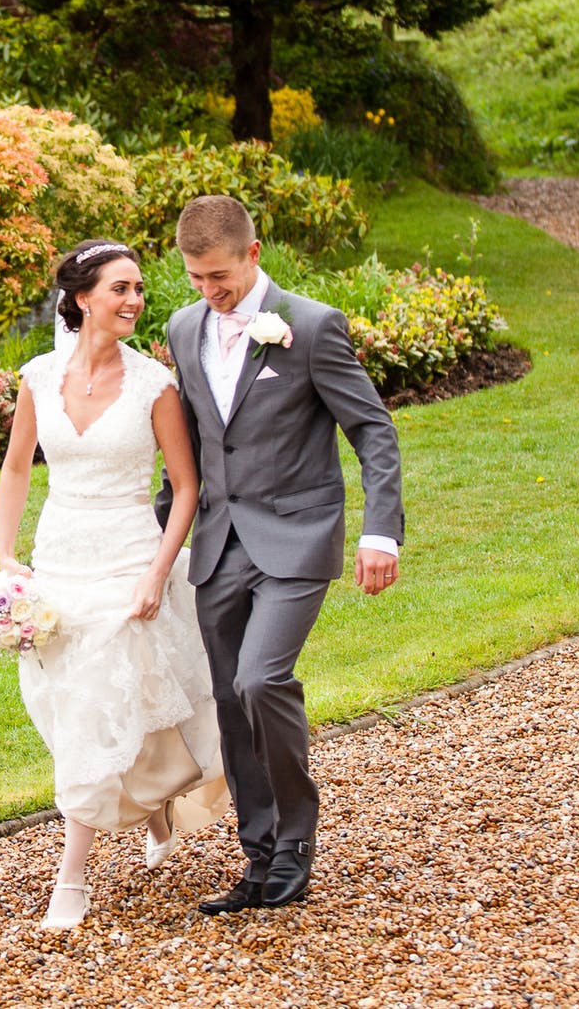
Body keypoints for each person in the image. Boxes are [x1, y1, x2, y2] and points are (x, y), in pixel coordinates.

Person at [153, 195, 403, 915]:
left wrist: (379, 532)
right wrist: (156, 540)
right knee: (231, 703)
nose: (209, 291)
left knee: (263, 681)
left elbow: (373, 432)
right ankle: (257, 858)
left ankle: (296, 839)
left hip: (296, 536)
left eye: (220, 276)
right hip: (218, 545)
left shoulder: (312, 327)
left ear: (253, 254)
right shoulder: (182, 327)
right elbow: (196, 450)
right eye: (197, 278)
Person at [0, 238, 230, 932]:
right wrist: (6, 555)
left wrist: (159, 571)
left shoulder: (155, 385)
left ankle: (72, 879)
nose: (134, 300)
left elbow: (186, 487)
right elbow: (16, 468)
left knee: (100, 699)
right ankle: (152, 810)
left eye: (138, 289)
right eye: (120, 289)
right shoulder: (38, 376)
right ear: (81, 297)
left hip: (129, 560)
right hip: (59, 558)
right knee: (72, 707)